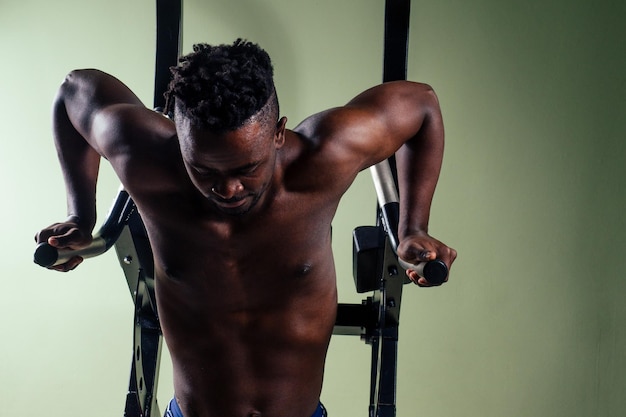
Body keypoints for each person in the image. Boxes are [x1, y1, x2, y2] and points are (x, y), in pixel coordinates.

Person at [35, 39, 457, 417]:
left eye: (246, 168)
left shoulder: (324, 159)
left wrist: (412, 228)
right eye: (202, 168)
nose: (227, 188)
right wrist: (80, 217)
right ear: (179, 138)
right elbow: (74, 89)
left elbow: (421, 103)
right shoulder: (145, 159)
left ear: (277, 133)